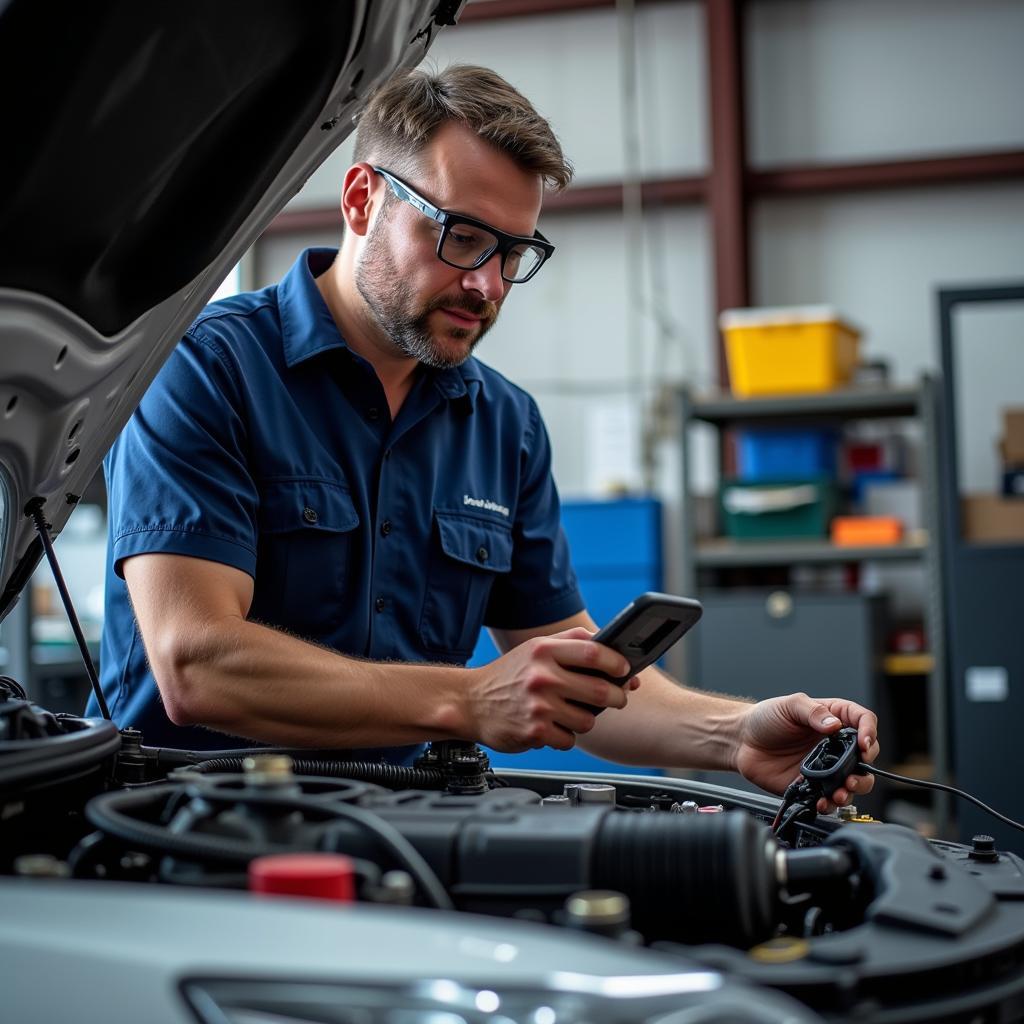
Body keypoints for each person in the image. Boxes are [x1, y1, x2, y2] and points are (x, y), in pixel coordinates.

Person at [92, 64, 878, 810]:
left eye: (513, 253)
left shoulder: (504, 425)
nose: (487, 285)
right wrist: (470, 698)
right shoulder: (203, 368)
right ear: (363, 199)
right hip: (183, 837)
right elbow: (196, 664)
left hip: (399, 838)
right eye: (462, 237)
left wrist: (737, 734)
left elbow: (579, 684)